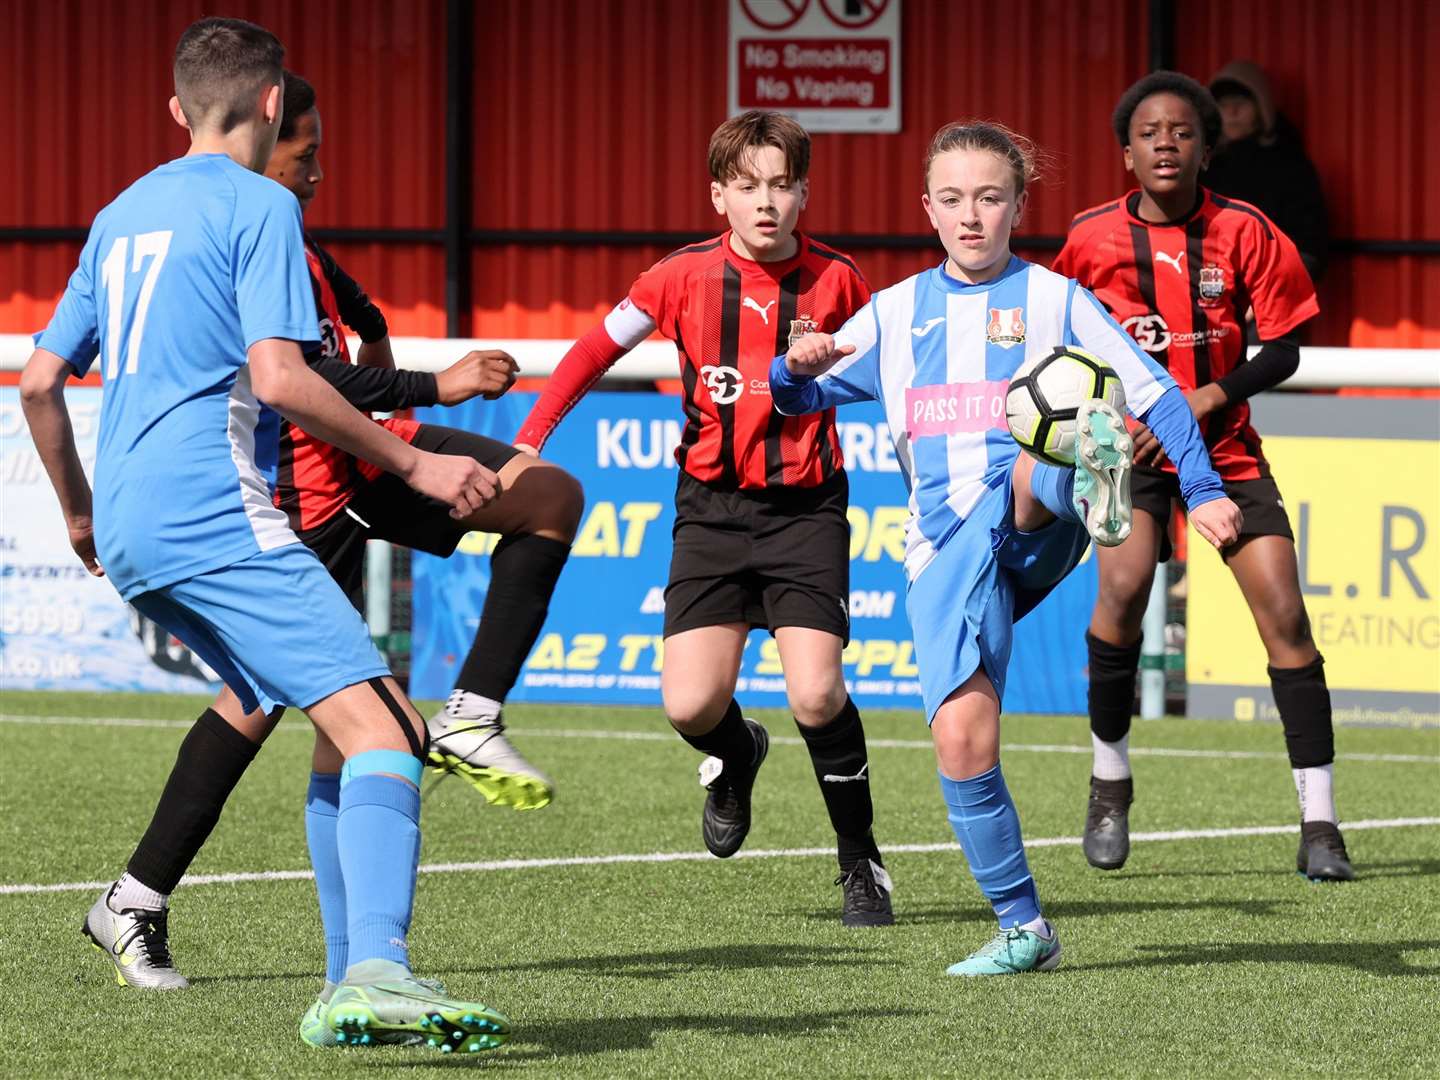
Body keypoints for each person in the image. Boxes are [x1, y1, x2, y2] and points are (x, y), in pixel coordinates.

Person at [22, 18, 508, 1052]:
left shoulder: (119, 213)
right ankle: (374, 974)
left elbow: (37, 379)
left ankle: (343, 975)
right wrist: (415, 460)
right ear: (276, 105)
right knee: (388, 732)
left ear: (176, 110)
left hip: (134, 529)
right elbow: (285, 379)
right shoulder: (262, 206)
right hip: (215, 512)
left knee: (334, 716)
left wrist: (76, 509)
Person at [770, 120, 1242, 975]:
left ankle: (1082, 479)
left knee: (1030, 460)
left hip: (1033, 514)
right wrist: (794, 367)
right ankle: (1025, 927)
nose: (972, 216)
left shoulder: (1058, 300)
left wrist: (1204, 492)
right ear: (928, 208)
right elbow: (794, 402)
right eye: (953, 200)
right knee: (962, 739)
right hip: (945, 548)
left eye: (990, 198)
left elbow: (1161, 395)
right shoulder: (896, 311)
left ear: (1018, 204)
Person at [513, 110, 893, 926]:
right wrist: (530, 441)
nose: (767, 202)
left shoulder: (840, 281)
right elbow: (589, 352)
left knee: (818, 694)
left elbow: (892, 377)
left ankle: (861, 862)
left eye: (783, 185)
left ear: (804, 194)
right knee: (689, 707)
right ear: (718, 194)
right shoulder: (678, 277)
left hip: (806, 508)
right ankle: (736, 752)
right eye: (749, 185)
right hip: (710, 511)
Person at [1052, 71, 1353, 882]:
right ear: (1126, 152)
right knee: (1120, 592)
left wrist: (1211, 396)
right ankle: (1110, 783)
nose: (1165, 143)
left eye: (1182, 131)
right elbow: (1059, 348)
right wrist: (1117, 421)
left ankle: (1320, 822)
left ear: (1206, 148)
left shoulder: (1246, 229)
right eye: (1149, 132)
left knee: (1284, 610)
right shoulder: (1088, 239)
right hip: (1129, 453)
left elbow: (1288, 342)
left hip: (1224, 449)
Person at [1204, 60, 1329, 282]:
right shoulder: (1201, 166)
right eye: (1223, 104)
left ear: (1262, 108)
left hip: (1270, 298)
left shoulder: (1290, 166)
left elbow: (1310, 245)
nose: (1232, 111)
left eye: (1241, 102)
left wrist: (1274, 291)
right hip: (1208, 294)